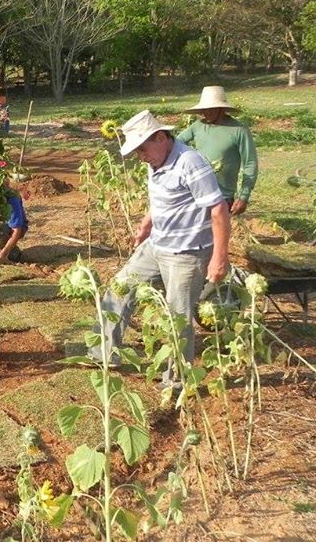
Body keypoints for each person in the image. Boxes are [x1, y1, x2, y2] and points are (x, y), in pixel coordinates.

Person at [90, 110, 231, 388]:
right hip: (157, 246)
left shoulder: (190, 163)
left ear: (161, 137)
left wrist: (219, 257)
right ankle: (103, 354)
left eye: (142, 148)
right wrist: (146, 224)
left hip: (186, 254)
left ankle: (176, 383)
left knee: (177, 318)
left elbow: (218, 209)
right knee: (119, 288)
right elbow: (161, 200)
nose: (141, 156)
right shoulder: (156, 161)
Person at [177, 86, 258, 216]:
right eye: (203, 110)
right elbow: (176, 144)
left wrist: (244, 196)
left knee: (219, 234)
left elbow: (250, 163)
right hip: (197, 193)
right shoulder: (198, 126)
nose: (205, 113)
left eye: (210, 110)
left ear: (221, 109)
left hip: (222, 197)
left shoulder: (239, 130)